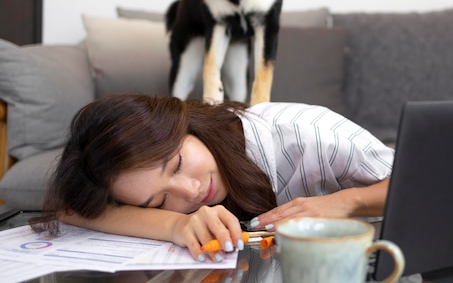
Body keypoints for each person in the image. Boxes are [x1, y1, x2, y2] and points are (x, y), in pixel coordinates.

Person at [32, 93, 394, 263]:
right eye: (158, 201)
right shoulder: (159, 192)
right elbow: (70, 209)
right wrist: (174, 225)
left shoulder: (306, 133)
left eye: (176, 164)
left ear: (185, 125)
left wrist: (346, 202)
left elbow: (432, 183)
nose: (190, 192)